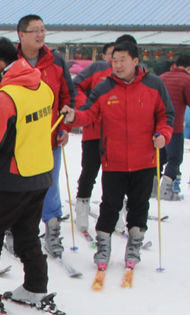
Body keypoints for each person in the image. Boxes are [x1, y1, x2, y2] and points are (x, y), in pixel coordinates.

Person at [62, 39, 174, 269]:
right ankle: (103, 247)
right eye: (114, 60)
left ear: (135, 61)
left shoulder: (154, 85)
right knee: (109, 206)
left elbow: (166, 115)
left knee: (139, 206)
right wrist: (73, 117)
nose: (118, 65)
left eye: (123, 60)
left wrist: (163, 134)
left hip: (145, 160)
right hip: (113, 160)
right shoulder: (104, 87)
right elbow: (88, 113)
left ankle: (134, 246)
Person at [0, 37, 55, 308]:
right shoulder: (43, 88)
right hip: (40, 173)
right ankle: (35, 286)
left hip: (9, 178)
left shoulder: (5, 98)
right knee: (27, 233)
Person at [16, 14, 74, 259]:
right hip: (19, 141)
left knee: (49, 187)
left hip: (49, 139)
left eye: (43, 30)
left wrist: (65, 127)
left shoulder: (56, 61)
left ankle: (52, 231)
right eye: (35, 31)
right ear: (21, 35)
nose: (40, 35)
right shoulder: (12, 61)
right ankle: (14, 232)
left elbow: (68, 97)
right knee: (17, 188)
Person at [72, 42, 115, 232]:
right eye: (112, 54)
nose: (115, 59)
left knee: (116, 175)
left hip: (117, 135)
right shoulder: (97, 68)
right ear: (104, 56)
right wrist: (86, 107)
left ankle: (115, 211)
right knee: (89, 171)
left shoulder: (129, 75)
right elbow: (76, 86)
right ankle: (82, 206)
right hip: (93, 131)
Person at [158, 54, 190, 200]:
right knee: (175, 159)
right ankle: (166, 191)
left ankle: (151, 187)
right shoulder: (188, 80)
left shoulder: (162, 77)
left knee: (159, 157)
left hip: (158, 124)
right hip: (175, 126)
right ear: (189, 67)